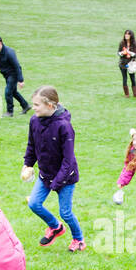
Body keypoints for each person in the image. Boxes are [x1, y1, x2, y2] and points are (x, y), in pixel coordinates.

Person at [22, 86, 84, 251]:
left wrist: (55, 184)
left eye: (36, 105)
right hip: (46, 175)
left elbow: (68, 160)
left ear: (50, 105)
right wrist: (27, 164)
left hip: (66, 177)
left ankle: (79, 239)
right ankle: (56, 227)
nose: (33, 108)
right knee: (34, 204)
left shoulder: (64, 126)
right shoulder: (34, 121)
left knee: (65, 212)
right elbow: (31, 145)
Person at [0, 36, 28, 117]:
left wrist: (21, 80)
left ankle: (10, 112)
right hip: (6, 74)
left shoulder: (9, 52)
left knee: (8, 92)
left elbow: (17, 66)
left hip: (13, 74)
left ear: (0, 43)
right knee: (13, 92)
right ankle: (25, 105)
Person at [117, 29, 136, 98]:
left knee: (132, 78)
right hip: (123, 63)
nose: (126, 35)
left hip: (131, 64)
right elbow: (118, 53)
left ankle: (135, 94)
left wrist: (129, 52)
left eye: (128, 34)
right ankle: (127, 94)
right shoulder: (122, 43)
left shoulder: (135, 43)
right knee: (125, 78)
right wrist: (122, 53)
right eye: (126, 34)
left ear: (131, 35)